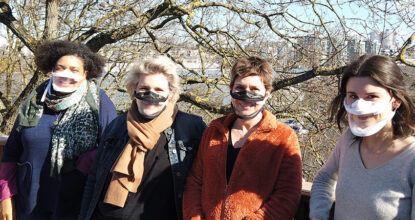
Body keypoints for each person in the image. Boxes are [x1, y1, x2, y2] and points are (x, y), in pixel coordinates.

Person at [0, 40, 117, 219]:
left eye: (74, 69)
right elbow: (11, 152)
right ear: (52, 69)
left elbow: (113, 148)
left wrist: (84, 165)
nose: (65, 74)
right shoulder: (34, 101)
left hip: (76, 204)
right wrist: (5, 196)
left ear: (85, 74)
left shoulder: (99, 103)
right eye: (60, 67)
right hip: (29, 203)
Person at [79, 55, 206, 220]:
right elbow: (94, 179)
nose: (151, 95)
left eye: (159, 90)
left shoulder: (190, 128)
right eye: (144, 89)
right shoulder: (117, 126)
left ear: (171, 93)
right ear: (135, 90)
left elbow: (203, 183)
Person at [183, 56, 303, 220]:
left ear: (267, 94)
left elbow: (287, 196)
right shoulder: (213, 131)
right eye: (240, 87)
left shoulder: (284, 137)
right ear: (232, 90)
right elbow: (195, 182)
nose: (246, 95)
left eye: (254, 89)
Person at [309, 55, 415, 220]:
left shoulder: (411, 159)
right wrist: (318, 215)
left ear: (396, 100)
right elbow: (324, 178)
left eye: (371, 96)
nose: (359, 105)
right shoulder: (348, 140)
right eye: (353, 96)